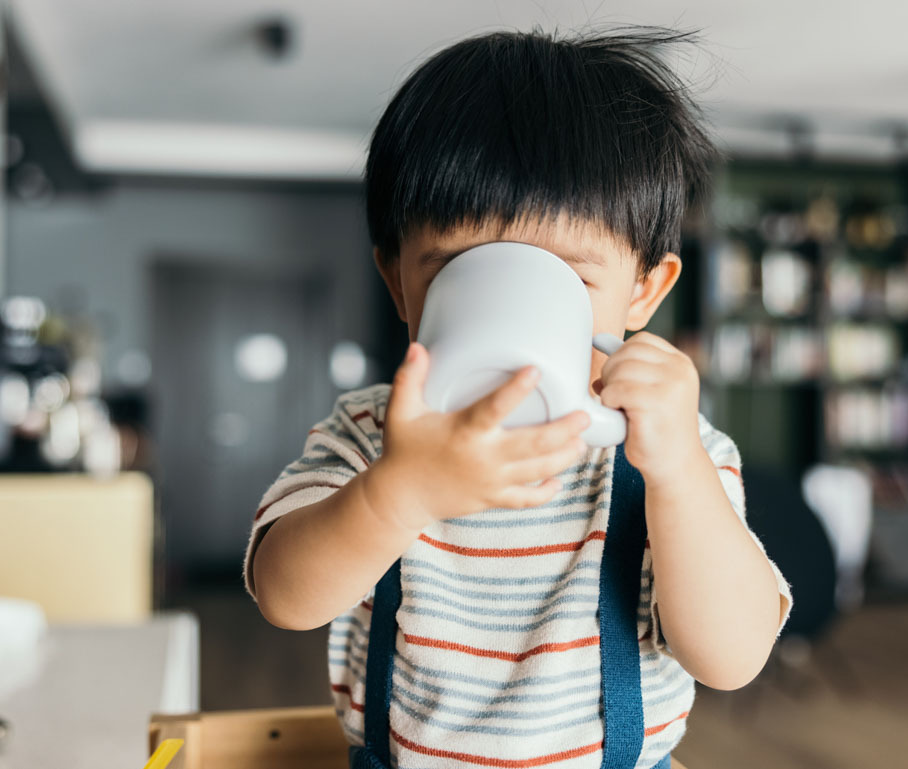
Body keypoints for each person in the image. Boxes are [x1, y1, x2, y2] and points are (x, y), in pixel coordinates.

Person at [244, 25, 792, 769]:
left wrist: (677, 474)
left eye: (565, 275)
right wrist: (397, 493)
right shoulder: (374, 430)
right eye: (454, 268)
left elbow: (731, 657)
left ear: (645, 290)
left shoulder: (671, 448)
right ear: (397, 279)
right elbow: (284, 596)